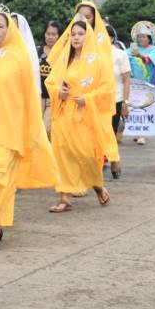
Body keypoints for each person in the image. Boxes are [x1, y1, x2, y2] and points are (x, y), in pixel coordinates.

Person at [0, 7, 57, 247]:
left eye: (0, 26)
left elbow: (29, 96)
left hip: (10, 129)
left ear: (9, 31)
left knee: (3, 178)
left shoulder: (19, 58)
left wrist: (30, 127)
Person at [45, 16, 113, 213]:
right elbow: (51, 82)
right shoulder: (64, 60)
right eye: (73, 34)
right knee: (61, 154)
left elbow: (106, 88)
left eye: (81, 34)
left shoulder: (99, 60)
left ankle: (97, 185)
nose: (76, 37)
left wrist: (88, 98)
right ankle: (64, 197)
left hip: (85, 115)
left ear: (88, 36)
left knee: (86, 155)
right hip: (64, 113)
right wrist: (59, 92)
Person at [55, 0, 120, 177]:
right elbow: (57, 62)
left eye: (88, 17)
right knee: (71, 144)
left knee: (95, 139)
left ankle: (103, 168)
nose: (84, 19)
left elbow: (105, 69)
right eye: (80, 16)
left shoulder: (100, 38)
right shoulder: (72, 35)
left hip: (95, 94)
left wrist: (90, 96)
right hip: (72, 100)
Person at [127, 21, 155, 146]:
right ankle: (137, 131)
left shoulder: (154, 49)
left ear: (149, 38)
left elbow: (152, 61)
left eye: (144, 36)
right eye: (139, 36)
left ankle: (142, 133)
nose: (141, 39)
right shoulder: (131, 49)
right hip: (134, 82)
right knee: (134, 107)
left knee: (145, 107)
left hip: (148, 82)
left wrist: (139, 55)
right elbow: (124, 60)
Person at [107, 25, 131, 147]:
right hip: (97, 99)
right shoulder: (92, 55)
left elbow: (127, 80)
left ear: (111, 38)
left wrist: (125, 102)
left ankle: (108, 158)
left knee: (111, 131)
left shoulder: (120, 55)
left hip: (116, 99)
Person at [39, 20, 62, 131]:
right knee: (36, 129)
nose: (50, 37)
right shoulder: (37, 51)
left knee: (46, 129)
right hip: (38, 97)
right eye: (48, 34)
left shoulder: (63, 53)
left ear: (59, 36)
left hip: (52, 97)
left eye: (54, 34)